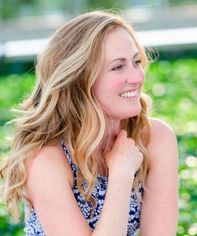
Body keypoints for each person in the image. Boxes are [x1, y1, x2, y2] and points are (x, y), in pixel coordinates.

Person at [0, 10, 178, 236]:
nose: (137, 77)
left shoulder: (155, 138)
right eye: (117, 67)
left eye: (136, 62)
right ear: (79, 78)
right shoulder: (45, 158)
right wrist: (121, 174)